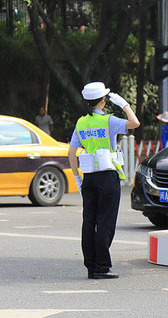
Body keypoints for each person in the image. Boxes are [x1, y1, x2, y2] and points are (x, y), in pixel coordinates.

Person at [68, 82, 140, 280]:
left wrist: (77, 178)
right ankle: (102, 266)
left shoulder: (81, 122)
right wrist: (124, 104)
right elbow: (135, 123)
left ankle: (91, 266)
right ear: (103, 100)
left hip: (89, 177)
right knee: (105, 222)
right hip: (107, 175)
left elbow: (72, 152)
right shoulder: (109, 120)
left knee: (89, 221)